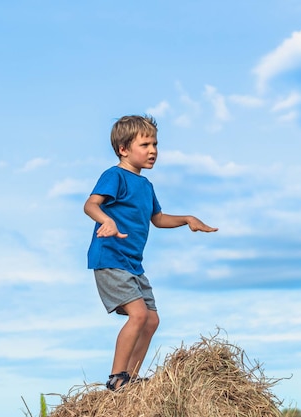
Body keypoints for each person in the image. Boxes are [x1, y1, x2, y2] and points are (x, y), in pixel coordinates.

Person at [84, 114, 218, 391]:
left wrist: (187, 219)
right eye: (145, 145)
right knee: (139, 315)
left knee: (152, 318)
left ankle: (130, 379)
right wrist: (106, 220)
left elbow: (157, 219)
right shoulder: (115, 176)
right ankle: (116, 378)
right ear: (123, 149)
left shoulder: (146, 186)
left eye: (155, 144)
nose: (153, 151)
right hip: (110, 258)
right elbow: (91, 205)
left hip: (133, 264)